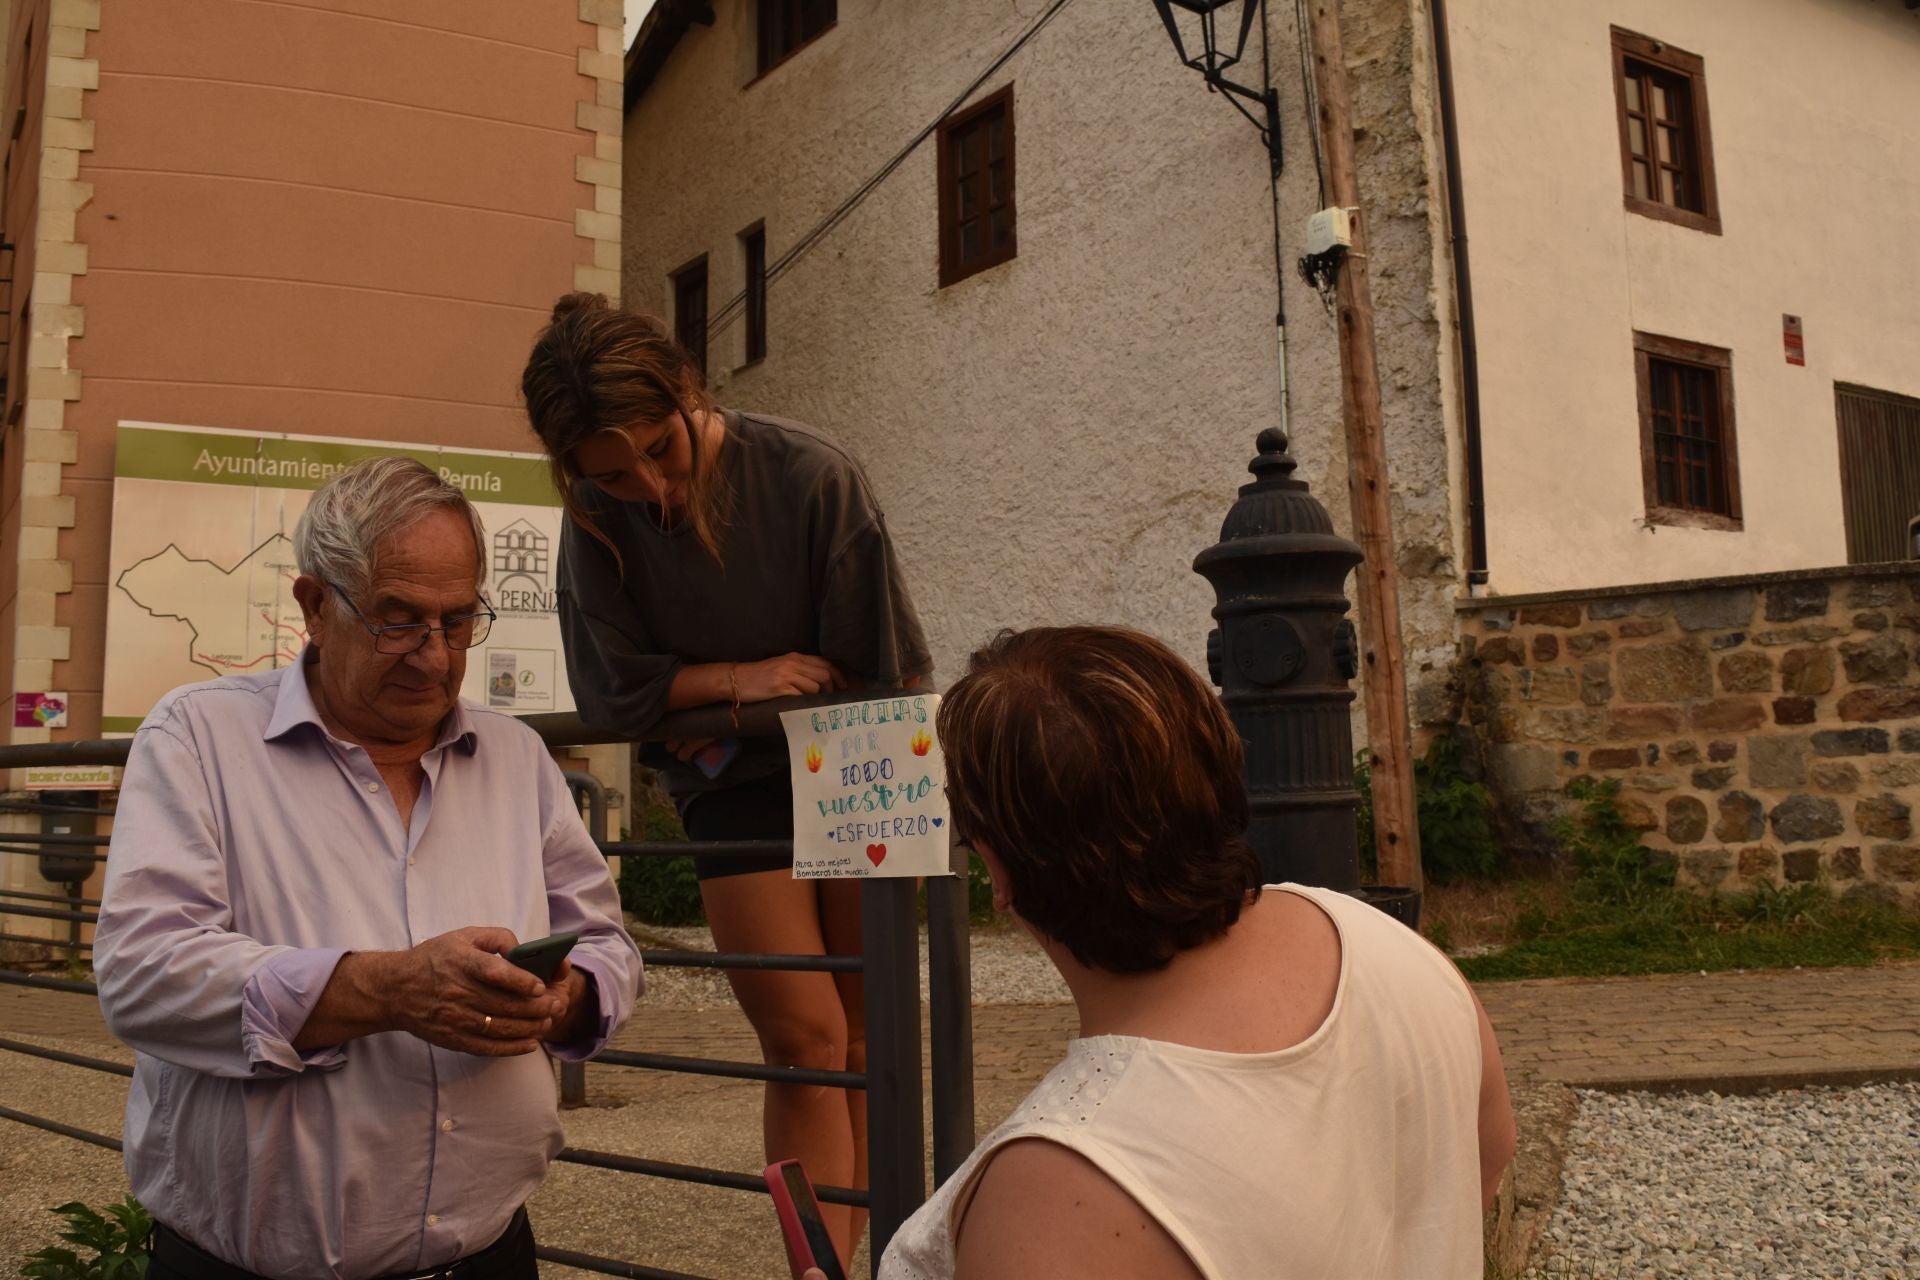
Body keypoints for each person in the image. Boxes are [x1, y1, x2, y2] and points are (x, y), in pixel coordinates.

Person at [93, 457, 644, 1280]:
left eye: (458, 623)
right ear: (314, 605)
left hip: (490, 1256)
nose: (434, 656)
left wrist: (568, 999)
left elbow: (607, 943)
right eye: (399, 621)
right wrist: (386, 989)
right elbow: (142, 974)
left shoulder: (518, 760)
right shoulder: (197, 739)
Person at [879, 626, 1516, 1280]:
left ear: (999, 871)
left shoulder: (1058, 1188)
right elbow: (1481, 1170)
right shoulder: (1392, 949)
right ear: (1213, 770)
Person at [520, 292, 931, 1261]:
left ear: (687, 391)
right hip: (734, 783)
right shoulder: (593, 515)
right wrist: (739, 679)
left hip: (860, 754)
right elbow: (611, 690)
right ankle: (816, 1269)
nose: (649, 488)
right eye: (612, 472)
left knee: (868, 1040)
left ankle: (865, 1255)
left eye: (659, 449)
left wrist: (699, 698)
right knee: (803, 1038)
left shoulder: (811, 473)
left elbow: (882, 665)